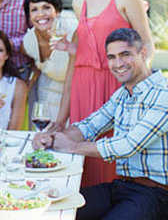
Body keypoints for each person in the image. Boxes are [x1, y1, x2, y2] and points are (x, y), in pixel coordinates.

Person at [52, 0, 154, 187]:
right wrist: (71, 47)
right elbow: (90, 50)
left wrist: (138, 88)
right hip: (83, 88)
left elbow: (146, 42)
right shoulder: (78, 1)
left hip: (116, 86)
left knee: (113, 155)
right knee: (82, 158)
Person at [33, 28, 168, 220]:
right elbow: (89, 126)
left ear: (143, 53)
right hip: (120, 187)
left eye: (125, 55)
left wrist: (72, 146)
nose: (118, 63)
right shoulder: (123, 95)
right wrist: (52, 139)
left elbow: (128, 145)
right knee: (51, 208)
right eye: (112, 57)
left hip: (154, 195)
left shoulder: (163, 94)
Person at [21, 0, 77, 121]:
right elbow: (32, 62)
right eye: (34, 9)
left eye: (46, 7)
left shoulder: (72, 30)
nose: (40, 14)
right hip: (47, 92)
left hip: (75, 93)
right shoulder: (29, 42)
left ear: (57, 11)